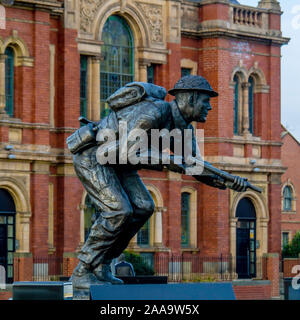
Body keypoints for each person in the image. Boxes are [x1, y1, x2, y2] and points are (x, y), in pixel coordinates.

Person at [68, 75, 248, 291]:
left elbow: (195, 166)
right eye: (205, 101)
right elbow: (123, 150)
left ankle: (103, 264)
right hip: (94, 157)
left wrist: (226, 181)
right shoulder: (152, 113)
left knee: (144, 207)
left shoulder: (184, 130)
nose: (208, 107)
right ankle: (83, 269)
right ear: (190, 98)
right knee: (119, 211)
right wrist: (167, 160)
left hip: (120, 165)